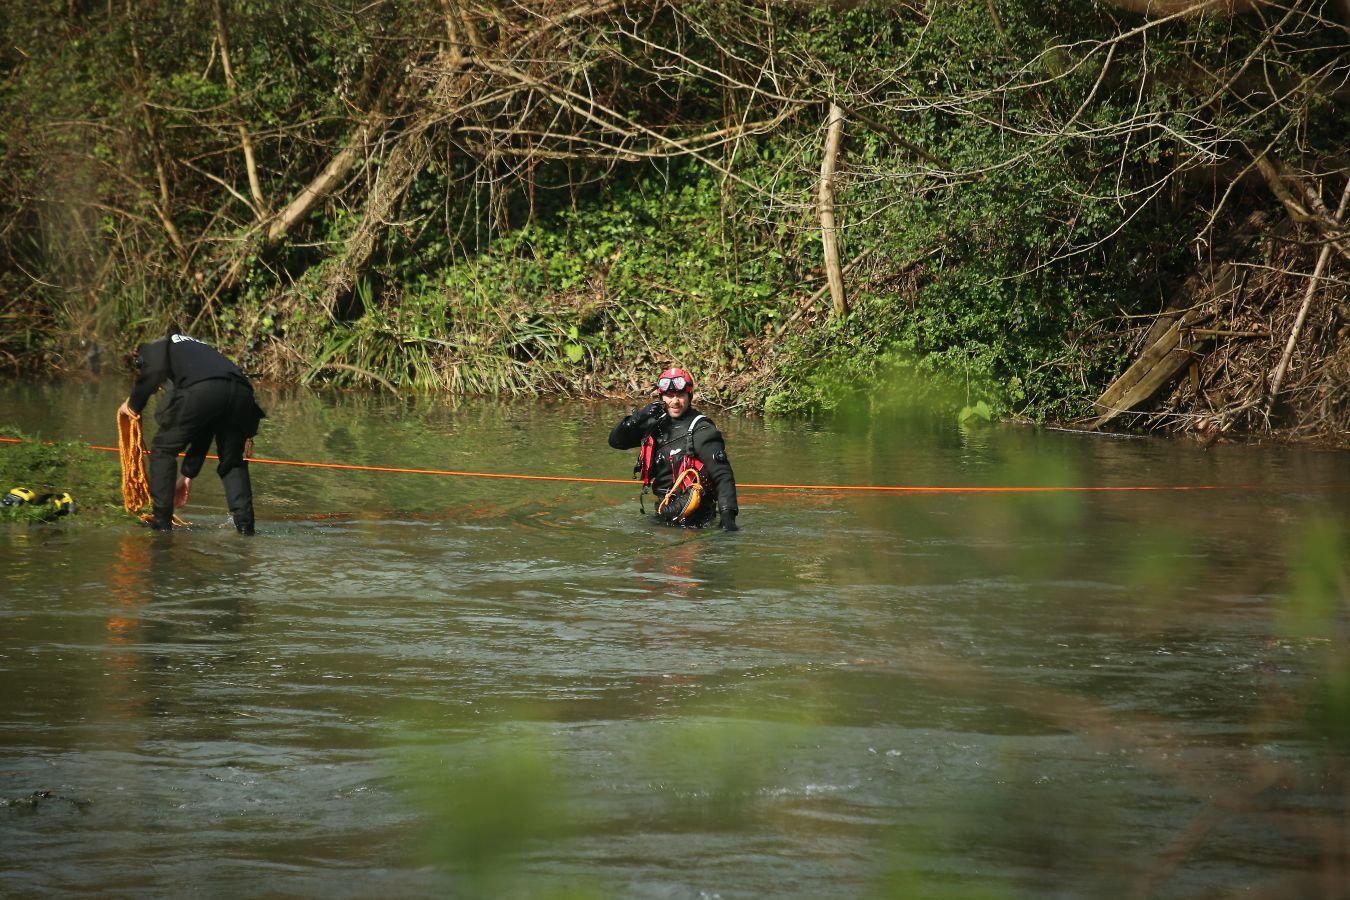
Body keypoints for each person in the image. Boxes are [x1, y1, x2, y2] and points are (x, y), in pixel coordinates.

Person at [117, 330, 265, 534]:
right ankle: (246, 529)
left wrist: (133, 405)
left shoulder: (155, 347)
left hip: (205, 390)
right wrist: (187, 475)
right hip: (243, 393)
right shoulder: (196, 349)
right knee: (232, 462)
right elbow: (205, 427)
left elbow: (152, 373)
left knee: (162, 449)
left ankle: (161, 525)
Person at [609, 367, 739, 531]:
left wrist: (728, 519)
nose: (675, 401)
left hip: (697, 518)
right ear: (661, 397)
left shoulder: (702, 430)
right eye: (669, 396)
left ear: (689, 396)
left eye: (680, 395)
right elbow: (616, 442)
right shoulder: (655, 426)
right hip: (664, 512)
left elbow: (723, 475)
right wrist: (638, 417)